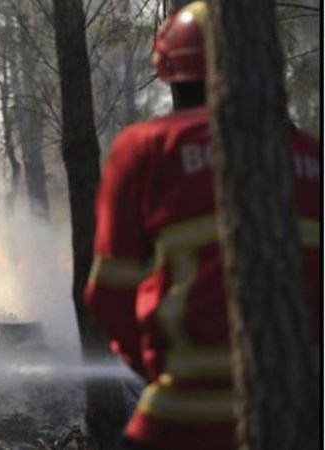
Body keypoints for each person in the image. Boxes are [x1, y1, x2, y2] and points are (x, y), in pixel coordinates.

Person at [83, 2, 321, 450]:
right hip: (302, 413)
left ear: (174, 72)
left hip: (185, 415)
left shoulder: (147, 150)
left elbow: (109, 293)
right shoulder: (313, 157)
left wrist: (163, 367)